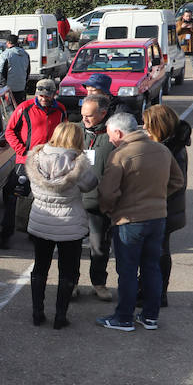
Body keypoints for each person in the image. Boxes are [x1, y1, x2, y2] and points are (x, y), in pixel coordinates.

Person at [95, 113, 186, 331]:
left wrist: (109, 210)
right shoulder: (162, 150)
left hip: (129, 220)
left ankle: (124, 317)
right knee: (151, 268)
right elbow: (178, 181)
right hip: (158, 219)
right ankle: (150, 317)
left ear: (118, 132)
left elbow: (108, 193)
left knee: (127, 271)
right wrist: (158, 197)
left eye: (110, 135)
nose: (109, 140)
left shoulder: (121, 155)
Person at [24, 122, 96, 329]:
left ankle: (37, 312)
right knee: (68, 270)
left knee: (40, 266)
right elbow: (90, 185)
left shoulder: (36, 157)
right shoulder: (78, 163)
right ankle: (60, 316)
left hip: (41, 219)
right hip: (70, 222)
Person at [1, 79, 66, 249]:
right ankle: (6, 234)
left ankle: (35, 233)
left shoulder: (60, 110)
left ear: (54, 95)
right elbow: (9, 131)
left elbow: (64, 133)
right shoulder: (24, 108)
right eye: (41, 95)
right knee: (15, 198)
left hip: (49, 163)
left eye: (47, 95)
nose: (44, 98)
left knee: (43, 199)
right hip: (26, 161)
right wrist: (21, 150)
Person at [142, 104, 190, 307]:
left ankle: (158, 293)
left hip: (165, 209)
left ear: (158, 126)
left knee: (159, 251)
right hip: (164, 207)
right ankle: (152, 290)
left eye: (147, 125)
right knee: (157, 250)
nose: (144, 128)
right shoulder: (170, 144)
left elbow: (176, 183)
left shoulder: (172, 149)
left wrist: (151, 196)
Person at [78, 96, 117, 302]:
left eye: (89, 116)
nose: (84, 119)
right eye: (83, 115)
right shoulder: (76, 131)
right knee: (72, 246)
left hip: (99, 204)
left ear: (103, 113)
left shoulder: (112, 137)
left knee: (99, 246)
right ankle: (71, 282)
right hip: (75, 201)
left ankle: (99, 283)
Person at [0, 35, 30, 103]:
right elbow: (27, 71)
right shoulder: (25, 54)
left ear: (9, 42)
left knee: (9, 111)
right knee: (20, 109)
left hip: (8, 89)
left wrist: (1, 86)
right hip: (21, 87)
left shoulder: (5, 54)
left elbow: (0, 72)